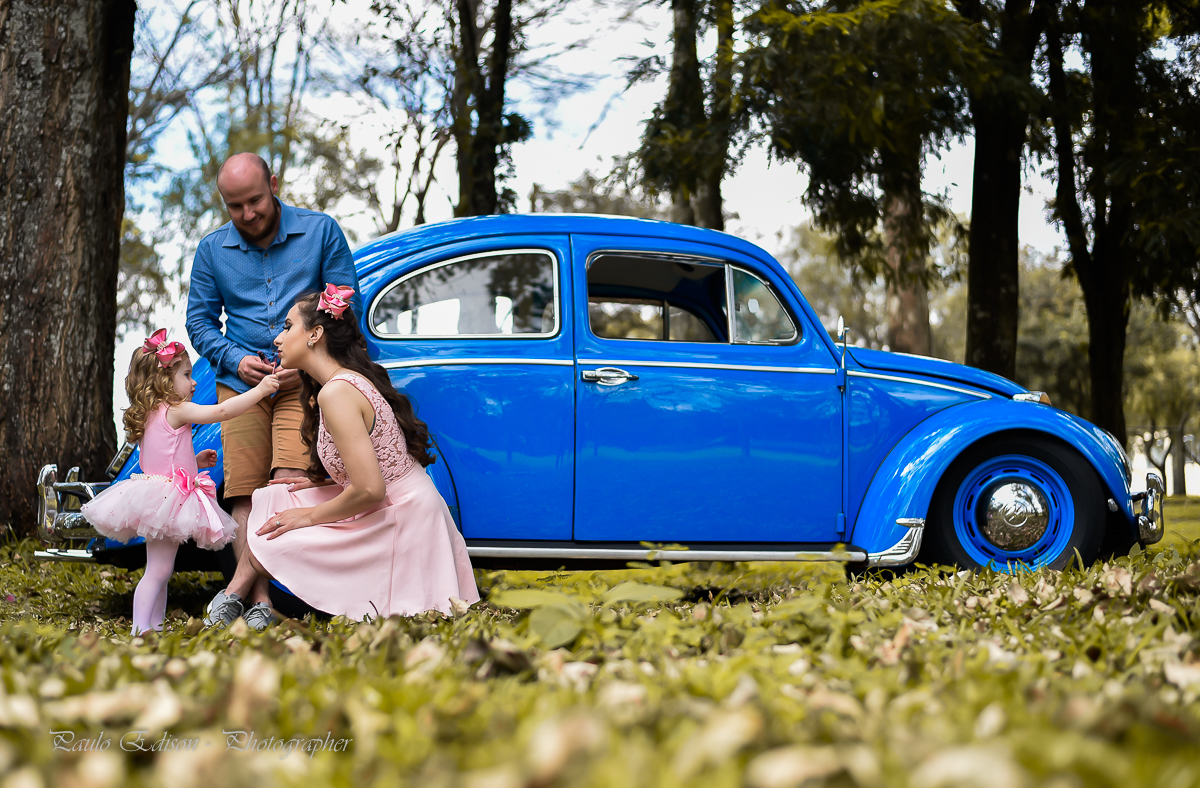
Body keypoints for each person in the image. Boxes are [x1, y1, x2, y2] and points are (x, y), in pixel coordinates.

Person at [204, 286, 478, 624]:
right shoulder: (340, 384)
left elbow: (371, 489)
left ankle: (238, 603)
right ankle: (236, 598)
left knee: (275, 540)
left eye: (288, 327)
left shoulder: (337, 392)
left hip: (403, 518)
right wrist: (318, 483)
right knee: (279, 497)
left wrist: (307, 516)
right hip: (395, 503)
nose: (277, 339)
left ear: (315, 334)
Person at [186, 152, 361, 628]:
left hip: (303, 383)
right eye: (235, 206)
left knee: (286, 485)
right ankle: (261, 603)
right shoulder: (211, 250)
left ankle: (237, 590)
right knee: (244, 491)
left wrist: (307, 358)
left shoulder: (321, 231)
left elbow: (344, 306)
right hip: (240, 384)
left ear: (274, 185)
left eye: (255, 201)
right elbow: (199, 322)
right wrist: (233, 359)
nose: (247, 214)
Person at [81, 330, 280, 635]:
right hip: (168, 499)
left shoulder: (150, 413)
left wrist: (194, 461)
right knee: (159, 570)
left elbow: (160, 459)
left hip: (156, 497)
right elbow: (222, 410)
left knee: (161, 569)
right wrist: (260, 391)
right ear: (164, 380)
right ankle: (139, 629)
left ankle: (155, 626)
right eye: (187, 375)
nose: (194, 382)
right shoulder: (177, 409)